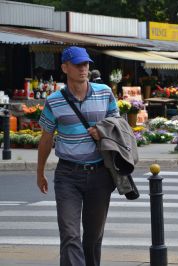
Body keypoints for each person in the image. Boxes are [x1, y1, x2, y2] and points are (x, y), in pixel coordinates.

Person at [36, 46, 119, 266]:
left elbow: (118, 126)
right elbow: (46, 139)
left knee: (92, 237)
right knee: (70, 234)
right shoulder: (54, 100)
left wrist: (102, 130)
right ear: (65, 67)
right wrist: (40, 172)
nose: (84, 69)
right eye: (78, 64)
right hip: (67, 175)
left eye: (86, 64)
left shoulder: (104, 92)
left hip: (101, 174)